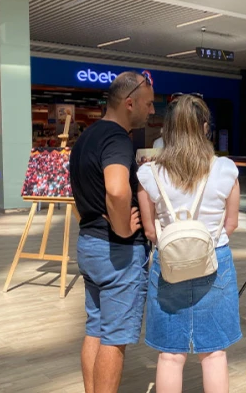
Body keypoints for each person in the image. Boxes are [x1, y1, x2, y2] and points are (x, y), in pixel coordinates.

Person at [136, 94, 242, 393]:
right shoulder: (225, 169)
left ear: (167, 129)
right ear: (205, 128)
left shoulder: (149, 174)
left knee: (170, 355)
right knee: (215, 352)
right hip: (215, 262)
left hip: (168, 264)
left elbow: (150, 230)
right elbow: (231, 224)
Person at [69, 70, 155, 393]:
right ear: (129, 103)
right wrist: (121, 229)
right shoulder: (117, 140)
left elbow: (79, 192)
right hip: (116, 253)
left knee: (95, 328)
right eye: (147, 104)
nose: (151, 111)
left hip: (89, 245)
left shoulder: (85, 139)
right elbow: (118, 190)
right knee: (114, 339)